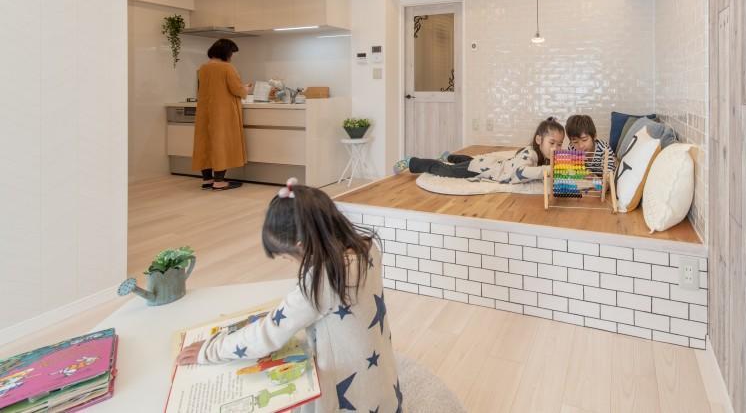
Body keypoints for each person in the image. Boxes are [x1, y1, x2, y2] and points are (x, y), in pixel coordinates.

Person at [176, 178, 402, 413]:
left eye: (287, 256)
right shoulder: (366, 248)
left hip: (349, 398)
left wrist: (211, 349)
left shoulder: (322, 280)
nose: (291, 262)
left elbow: (267, 335)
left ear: (301, 245)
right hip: (381, 389)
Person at [394, 117, 566, 184]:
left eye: (559, 144)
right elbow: (521, 172)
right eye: (552, 143)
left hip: (489, 164)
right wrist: (547, 170)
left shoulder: (542, 154)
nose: (555, 148)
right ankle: (413, 162)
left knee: (470, 161)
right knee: (446, 170)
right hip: (482, 169)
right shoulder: (531, 154)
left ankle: (449, 156)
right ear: (539, 140)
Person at [191, 39, 252, 190]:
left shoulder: (203, 68)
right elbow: (237, 89)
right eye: (231, 53)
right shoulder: (227, 68)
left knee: (205, 143)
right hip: (222, 112)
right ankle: (219, 181)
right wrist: (246, 88)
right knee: (221, 143)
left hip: (205, 112)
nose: (231, 56)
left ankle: (207, 180)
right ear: (226, 53)